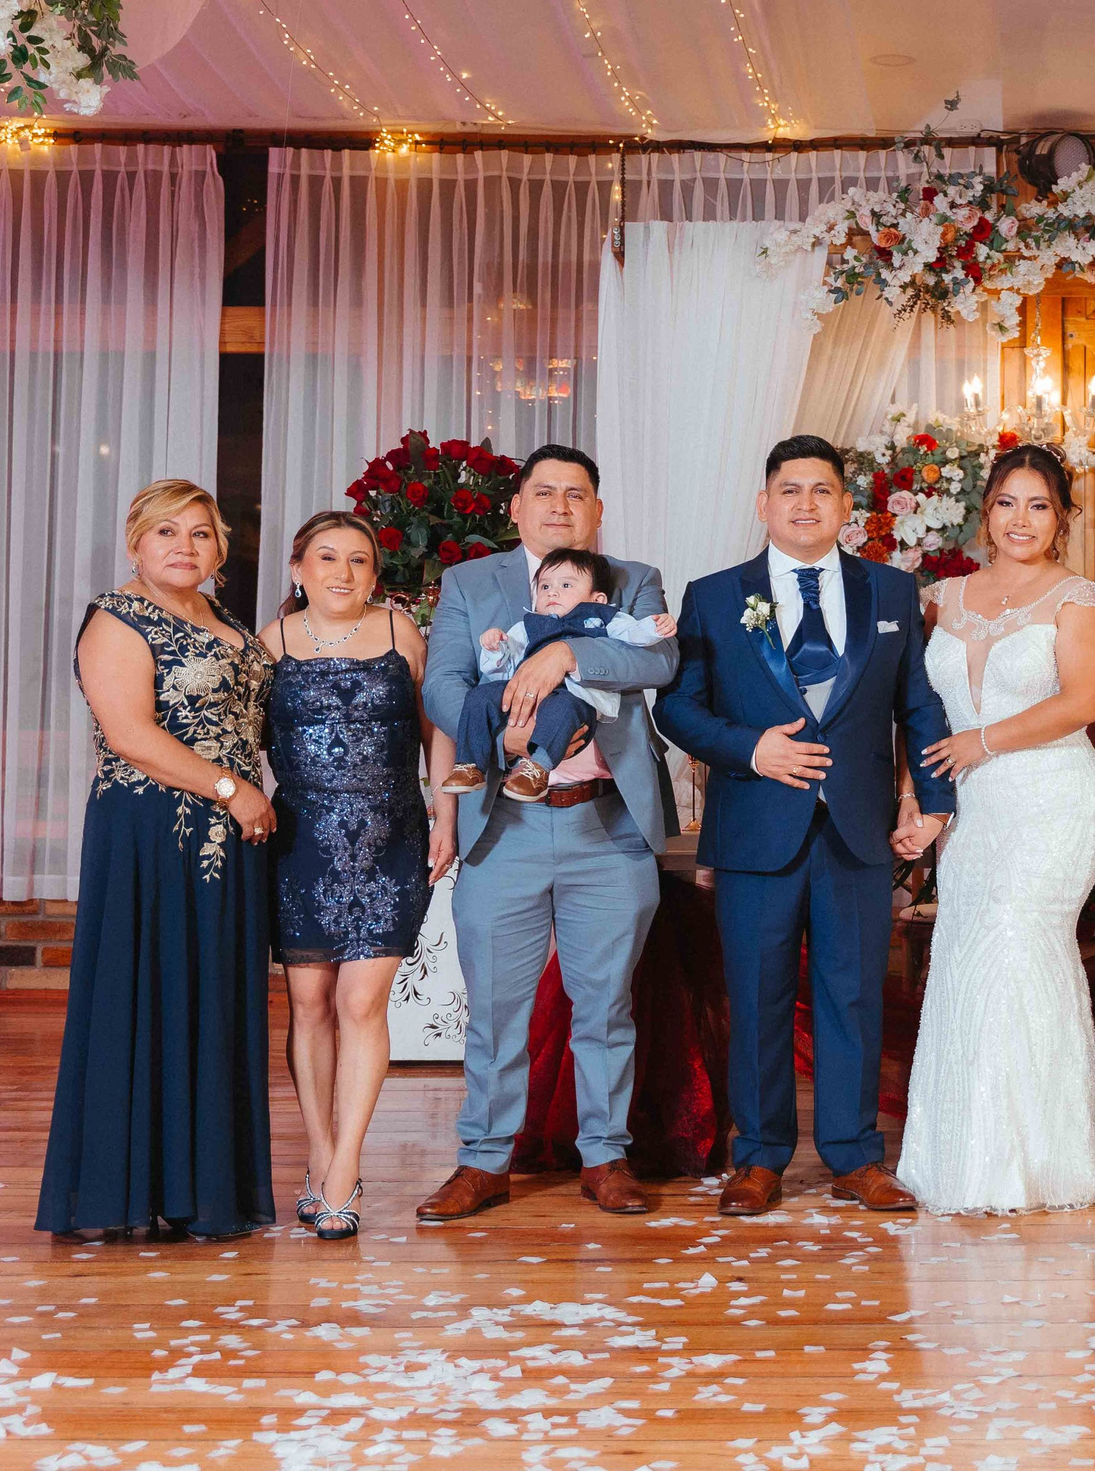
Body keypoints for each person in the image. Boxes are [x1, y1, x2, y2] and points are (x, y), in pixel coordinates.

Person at [655, 434, 957, 1216]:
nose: (805, 503)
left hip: (858, 829)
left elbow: (918, 703)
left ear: (845, 506)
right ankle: (758, 1158)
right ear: (764, 504)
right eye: (790, 489)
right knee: (756, 995)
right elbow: (677, 706)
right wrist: (751, 748)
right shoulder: (714, 595)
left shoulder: (891, 591)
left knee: (852, 994)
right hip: (755, 826)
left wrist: (931, 800)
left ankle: (856, 1156)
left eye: (822, 490)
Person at [415, 445, 678, 1223]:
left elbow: (658, 658)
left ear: (597, 510)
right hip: (506, 821)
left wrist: (566, 650)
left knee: (606, 1002)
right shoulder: (472, 583)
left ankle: (605, 1154)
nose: (560, 505)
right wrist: (505, 737)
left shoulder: (632, 578)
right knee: (497, 1006)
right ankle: (483, 1159)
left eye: (576, 494)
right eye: (544, 492)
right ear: (517, 506)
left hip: (608, 819)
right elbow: (442, 684)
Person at [896, 443, 1095, 1214]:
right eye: (1008, 502)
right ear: (985, 512)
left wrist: (984, 741)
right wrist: (917, 798)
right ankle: (961, 1155)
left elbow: (1082, 703)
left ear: (1062, 518)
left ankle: (1042, 1158)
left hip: (1052, 799)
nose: (1021, 519)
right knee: (966, 950)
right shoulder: (941, 597)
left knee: (1016, 938)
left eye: (1039, 505)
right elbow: (918, 713)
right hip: (972, 807)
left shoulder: (1077, 599)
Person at [39, 479, 277, 1242]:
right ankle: (128, 1188)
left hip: (231, 838)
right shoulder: (117, 618)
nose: (185, 546)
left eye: (201, 533)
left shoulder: (226, 620)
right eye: (167, 531)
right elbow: (130, 734)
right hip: (151, 833)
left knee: (211, 999)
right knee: (145, 992)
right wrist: (232, 789)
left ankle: (201, 1190)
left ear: (220, 548)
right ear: (135, 542)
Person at [258, 511, 443, 1241]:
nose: (343, 572)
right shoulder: (268, 643)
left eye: (359, 559)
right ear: (298, 568)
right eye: (328, 557)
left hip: (392, 836)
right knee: (309, 1004)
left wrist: (448, 813)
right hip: (301, 840)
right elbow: (240, 743)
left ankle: (345, 1169)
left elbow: (435, 731)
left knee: (362, 1001)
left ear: (375, 574)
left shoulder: (402, 632)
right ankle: (318, 1149)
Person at [441, 547, 677, 802]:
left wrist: (654, 627)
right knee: (479, 697)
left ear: (597, 599)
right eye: (545, 587)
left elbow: (633, 635)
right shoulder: (528, 625)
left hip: (577, 696)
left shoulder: (603, 617)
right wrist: (495, 646)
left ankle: (537, 769)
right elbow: (503, 666)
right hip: (525, 696)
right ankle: (469, 765)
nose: (552, 592)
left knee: (562, 709)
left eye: (566, 585)